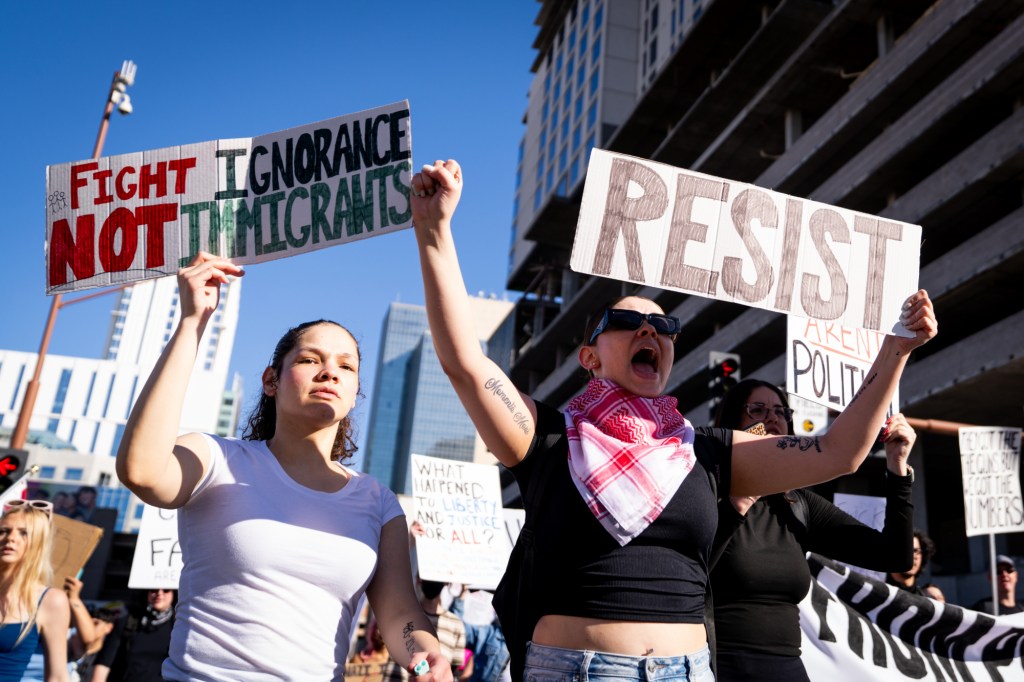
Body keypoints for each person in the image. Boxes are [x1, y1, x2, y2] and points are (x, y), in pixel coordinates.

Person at [409, 158, 938, 682]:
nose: (649, 330)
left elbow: (835, 452)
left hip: (687, 672)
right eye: (627, 322)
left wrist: (895, 350)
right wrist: (435, 231)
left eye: (663, 324)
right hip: (577, 671)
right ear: (590, 358)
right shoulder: (548, 437)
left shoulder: (705, 450)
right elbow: (466, 364)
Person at [115, 252, 452, 681]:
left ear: (354, 394)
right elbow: (141, 471)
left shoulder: (379, 502)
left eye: (346, 366)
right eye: (311, 360)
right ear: (271, 380)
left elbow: (401, 613)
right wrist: (191, 323)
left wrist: (427, 654)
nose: (330, 371)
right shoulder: (215, 458)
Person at [709, 379, 917, 681]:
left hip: (789, 670)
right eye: (758, 409)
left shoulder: (798, 504)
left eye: (781, 411)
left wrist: (897, 469)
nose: (772, 417)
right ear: (731, 424)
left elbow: (895, 557)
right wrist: (738, 502)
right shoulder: (706, 490)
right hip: (718, 669)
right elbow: (692, 569)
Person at [0, 502, 70, 681]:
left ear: (38, 542)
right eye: (4, 531)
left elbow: (58, 676)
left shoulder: (51, 601)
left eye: (24, 533)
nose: (10, 538)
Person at [91, 588, 175, 682]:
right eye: (153, 589)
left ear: (174, 593)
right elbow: (104, 662)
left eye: (166, 590)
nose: (159, 593)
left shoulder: (179, 626)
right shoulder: (128, 621)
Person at [888, 529, 935, 595]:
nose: (912, 556)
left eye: (916, 551)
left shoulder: (926, 599)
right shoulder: (876, 593)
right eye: (906, 550)